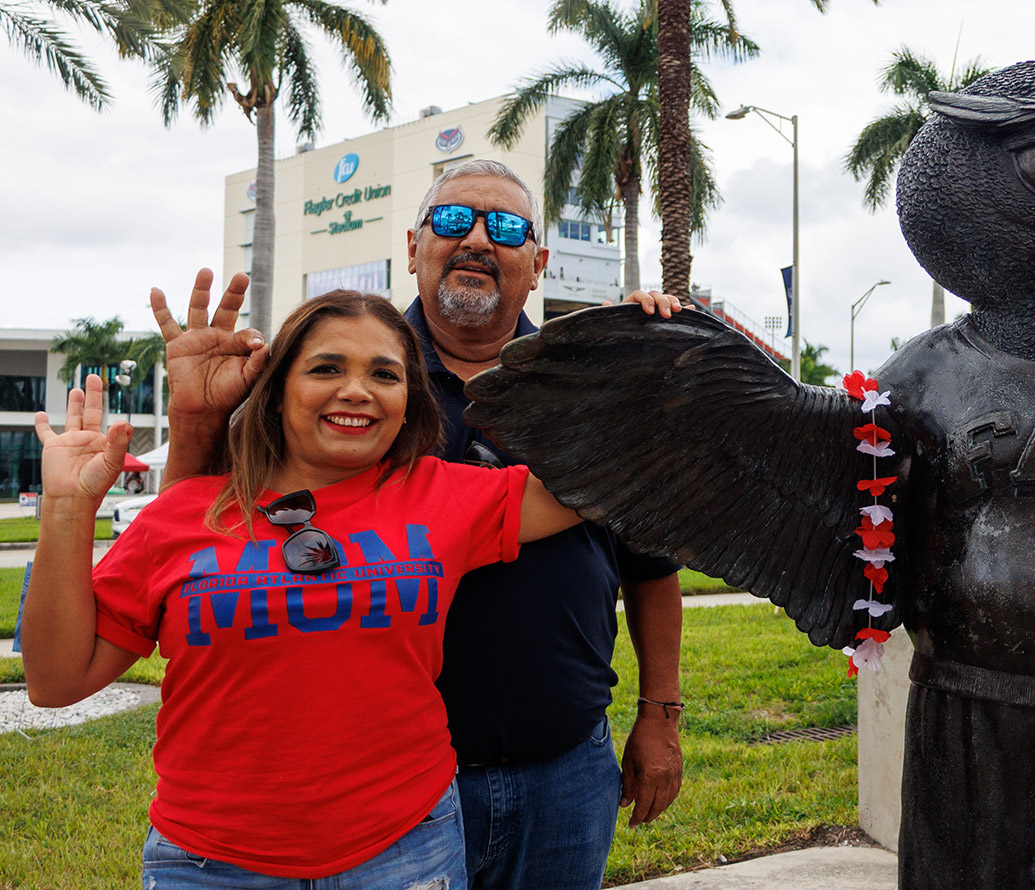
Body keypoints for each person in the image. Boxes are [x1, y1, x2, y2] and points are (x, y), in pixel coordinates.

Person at [154, 158, 691, 889]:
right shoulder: (347, 382)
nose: (476, 239)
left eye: (506, 228)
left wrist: (661, 714)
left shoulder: (587, 382)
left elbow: (651, 565)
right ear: (413, 248)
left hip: (566, 769)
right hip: (392, 797)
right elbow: (196, 533)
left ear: (538, 264)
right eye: (452, 219)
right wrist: (195, 422)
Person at [23, 292, 587, 885]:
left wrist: (641, 349)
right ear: (277, 391)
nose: (357, 391)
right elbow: (56, 682)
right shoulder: (182, 512)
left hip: (406, 849)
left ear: (408, 402)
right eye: (326, 368)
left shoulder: (441, 492)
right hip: (211, 864)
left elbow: (605, 480)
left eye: (385, 375)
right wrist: (66, 507)